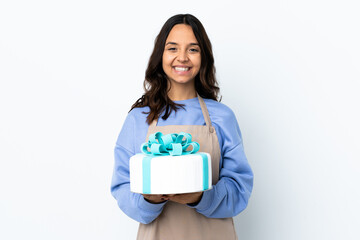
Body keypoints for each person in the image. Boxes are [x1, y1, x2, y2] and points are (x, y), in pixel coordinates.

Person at [111, 14, 253, 240]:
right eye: (173, 48)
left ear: (203, 57)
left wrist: (200, 198)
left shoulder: (222, 116)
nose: (183, 58)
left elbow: (240, 190)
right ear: (161, 55)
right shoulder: (139, 119)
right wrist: (150, 200)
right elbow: (122, 188)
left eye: (193, 49)